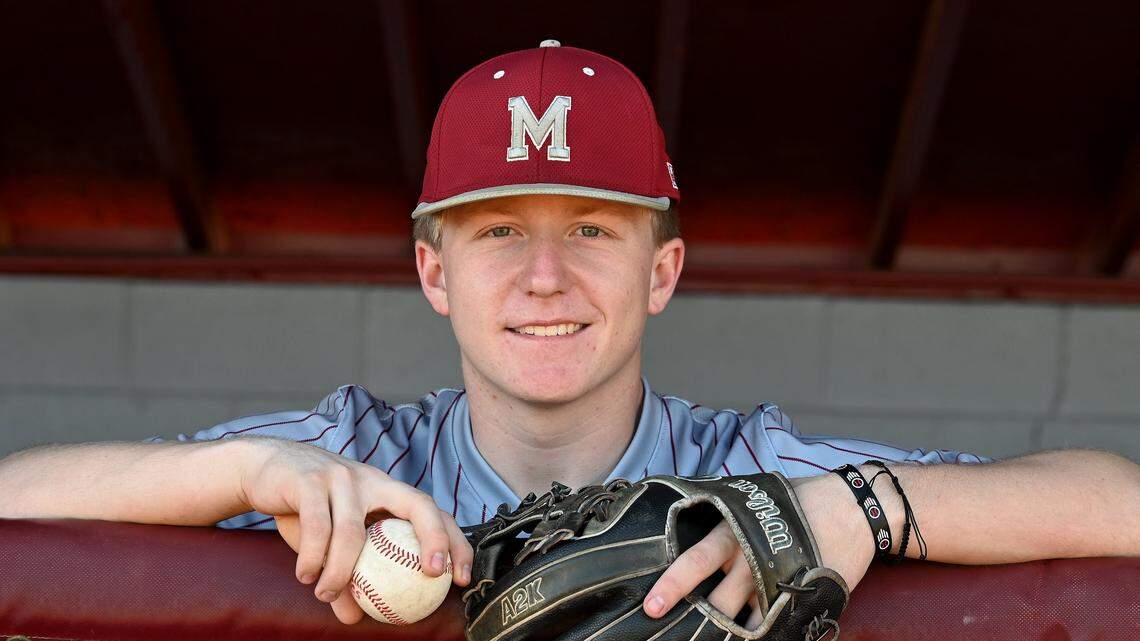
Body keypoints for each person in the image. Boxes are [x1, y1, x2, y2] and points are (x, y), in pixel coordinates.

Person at [1, 40, 1137, 629]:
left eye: (593, 226)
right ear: (433, 273)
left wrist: (868, 507)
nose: (546, 275)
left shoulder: (751, 470)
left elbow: (1122, 503)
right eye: (499, 230)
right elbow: (17, 495)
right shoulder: (352, 455)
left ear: (664, 270)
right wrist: (244, 468)